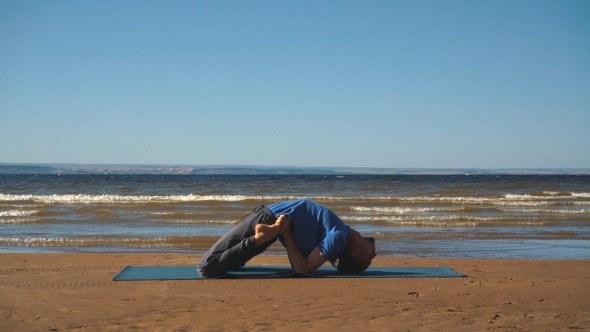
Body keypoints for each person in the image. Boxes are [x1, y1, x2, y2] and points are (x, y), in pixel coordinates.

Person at [197, 199, 376, 278]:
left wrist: (286, 231)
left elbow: (302, 269)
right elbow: (303, 267)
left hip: (269, 222)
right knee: (214, 266)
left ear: (356, 252)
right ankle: (262, 237)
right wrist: (283, 230)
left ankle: (261, 237)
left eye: (369, 259)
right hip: (266, 219)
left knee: (206, 267)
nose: (374, 254)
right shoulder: (340, 233)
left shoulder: (337, 237)